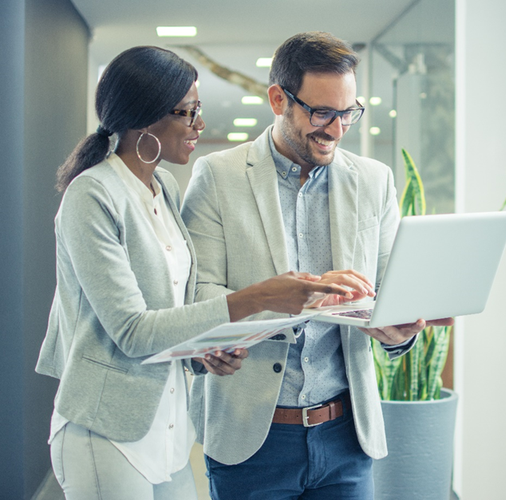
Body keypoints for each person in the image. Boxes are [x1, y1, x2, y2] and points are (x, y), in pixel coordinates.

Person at [35, 45, 356, 500]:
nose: (199, 125)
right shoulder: (92, 196)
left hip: (169, 431)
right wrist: (261, 296)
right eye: (187, 113)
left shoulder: (162, 186)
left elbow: (173, 312)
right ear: (143, 117)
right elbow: (131, 331)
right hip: (105, 429)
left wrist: (201, 354)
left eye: (198, 110)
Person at [181, 32, 453, 499]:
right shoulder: (217, 176)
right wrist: (293, 295)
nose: (336, 129)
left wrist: (398, 332)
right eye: (321, 112)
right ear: (277, 98)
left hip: (346, 436)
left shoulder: (374, 181)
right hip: (252, 439)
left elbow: (389, 289)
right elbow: (199, 296)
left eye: (348, 113)